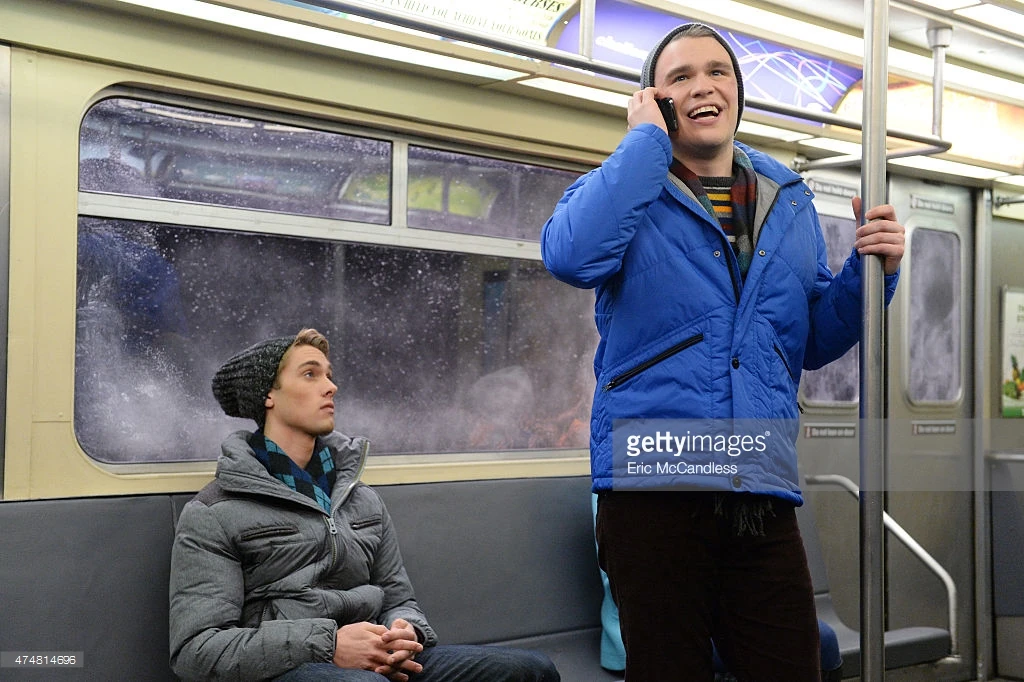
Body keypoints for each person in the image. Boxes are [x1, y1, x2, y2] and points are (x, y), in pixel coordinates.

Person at [540, 23, 905, 682]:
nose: (702, 86)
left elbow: (809, 341)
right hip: (654, 483)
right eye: (680, 77)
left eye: (718, 72)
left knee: (790, 666)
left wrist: (869, 271)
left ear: (738, 91)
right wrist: (644, 142)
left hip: (756, 479)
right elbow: (570, 255)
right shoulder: (625, 188)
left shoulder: (787, 201)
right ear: (654, 98)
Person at [169, 328, 560, 682]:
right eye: (310, 374)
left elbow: (398, 597)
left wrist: (404, 630)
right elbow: (197, 651)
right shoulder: (215, 511)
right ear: (268, 395)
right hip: (284, 668)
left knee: (531, 671)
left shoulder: (361, 498)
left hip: (376, 659)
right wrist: (329, 644)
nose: (331, 387)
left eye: (329, 375)